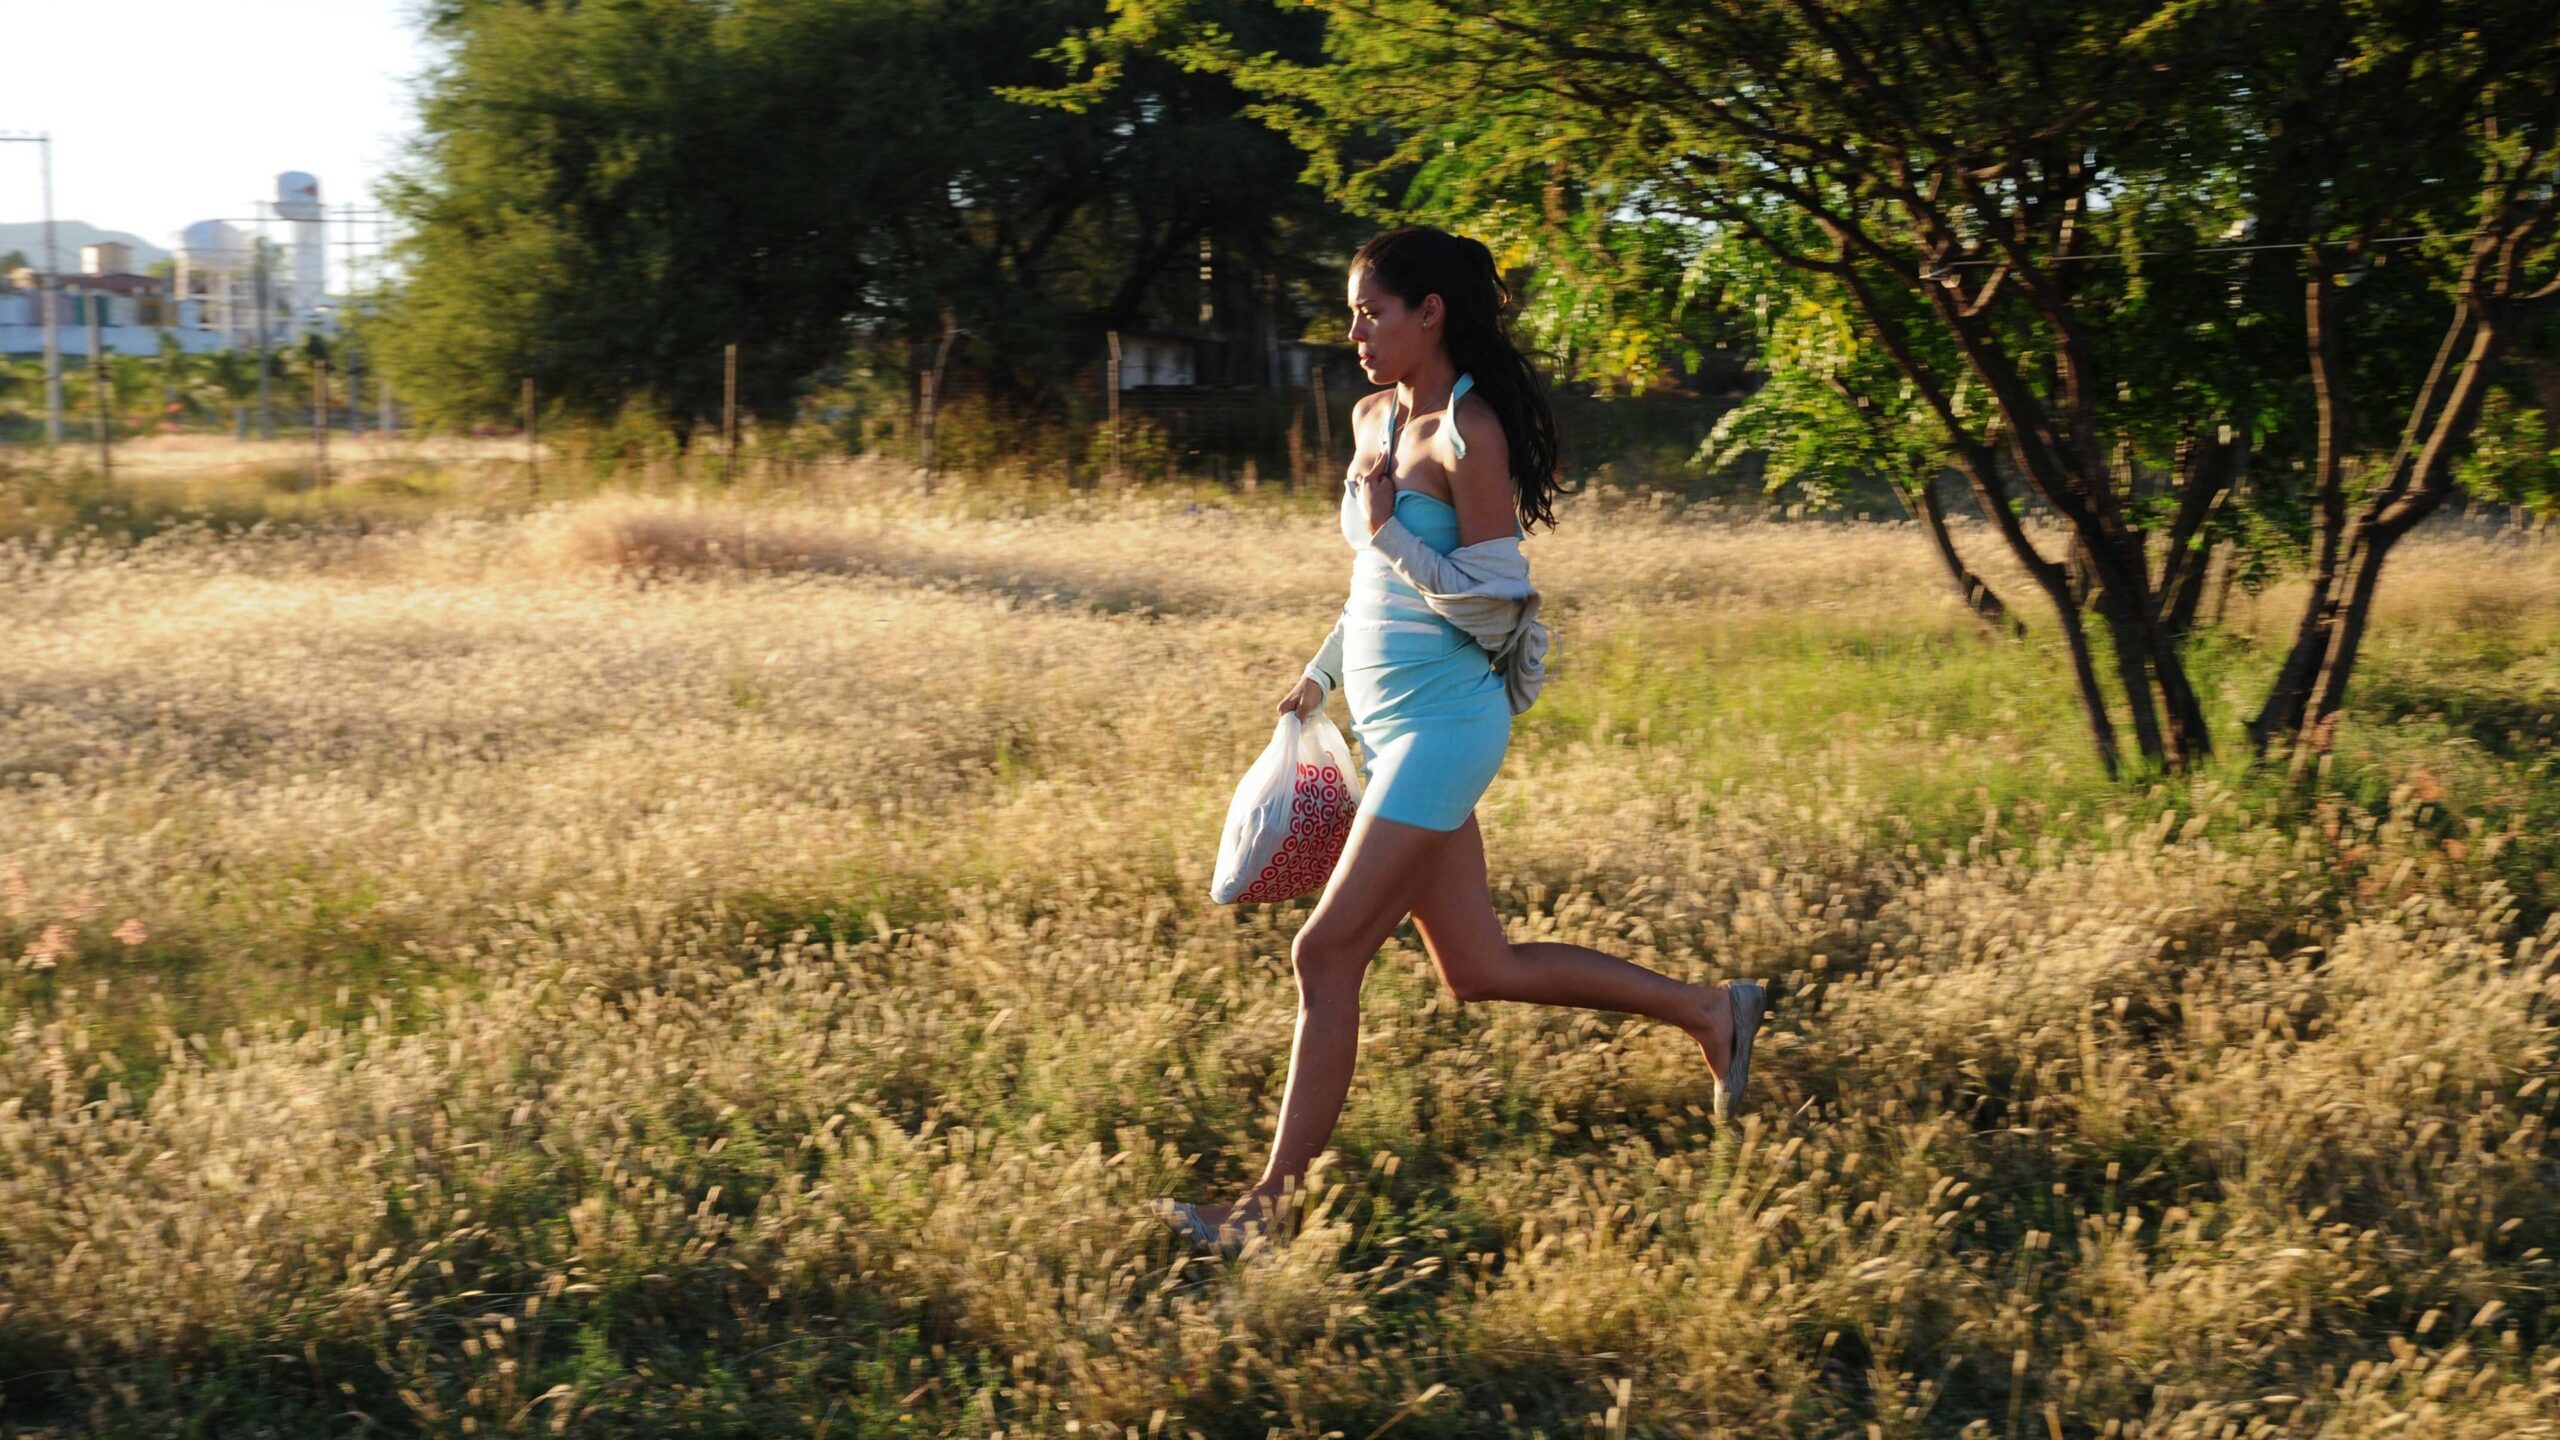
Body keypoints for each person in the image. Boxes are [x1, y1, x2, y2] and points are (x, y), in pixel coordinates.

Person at [1159, 226, 1767, 1257]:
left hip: (1446, 729)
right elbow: (1371, 584)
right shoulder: (1370, 418)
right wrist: (1321, 673)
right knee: (1477, 967)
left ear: (1429, 313)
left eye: (1372, 313)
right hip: (1385, 723)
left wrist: (1393, 530)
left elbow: (1497, 602)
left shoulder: (1467, 433)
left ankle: (1267, 1210)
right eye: (1352, 314)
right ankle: (1712, 1012)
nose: (1355, 333)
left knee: (1324, 953)